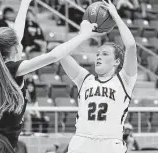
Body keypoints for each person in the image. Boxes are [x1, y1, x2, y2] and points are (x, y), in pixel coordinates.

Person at [0, 0, 102, 152]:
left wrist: (25, 3)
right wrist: (84, 35)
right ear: (15, 47)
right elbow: (53, 56)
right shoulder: (12, 69)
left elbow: (17, 32)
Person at [59, 0, 137, 153]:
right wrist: (83, 35)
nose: (98, 57)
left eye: (105, 54)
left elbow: (131, 46)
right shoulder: (84, 79)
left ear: (116, 61)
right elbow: (61, 55)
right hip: (81, 142)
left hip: (110, 144)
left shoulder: (124, 80)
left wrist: (115, 15)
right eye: (98, 54)